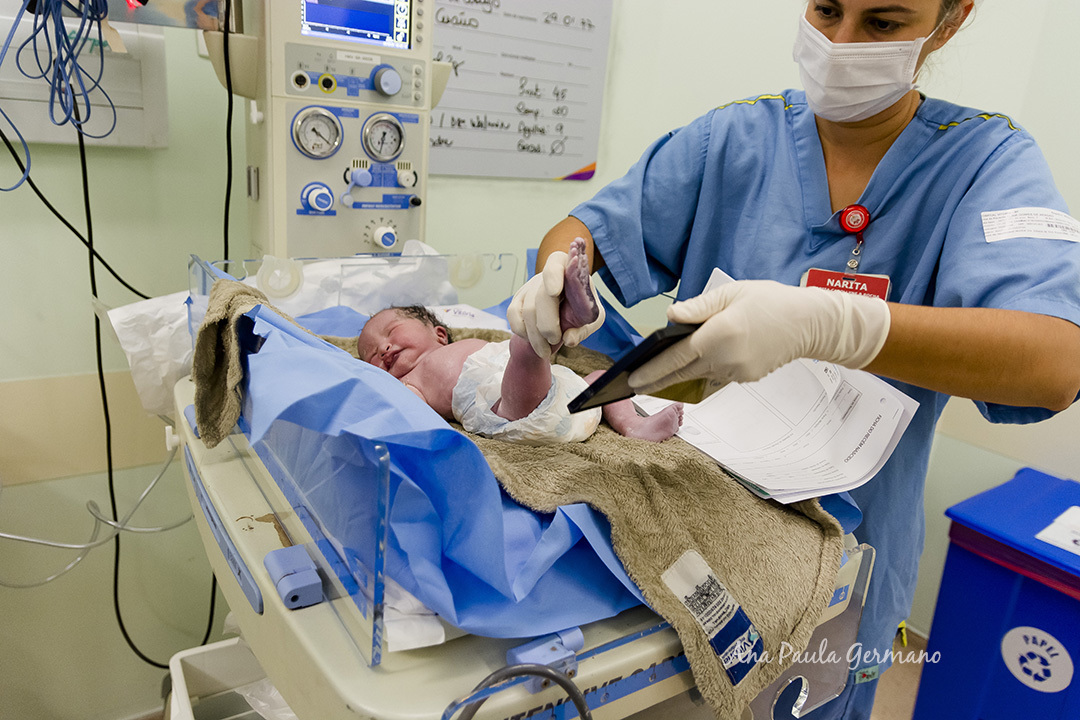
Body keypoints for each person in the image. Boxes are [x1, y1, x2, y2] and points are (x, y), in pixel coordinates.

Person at [507, 0, 1080, 717]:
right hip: (685, 529)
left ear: (950, 20)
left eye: (882, 23)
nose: (840, 43)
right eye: (827, 10)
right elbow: (586, 231)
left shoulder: (985, 162)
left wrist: (840, 326)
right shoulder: (733, 139)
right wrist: (560, 268)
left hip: (839, 559)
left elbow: (1055, 362)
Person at [357, 239, 684, 446]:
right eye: (370, 354)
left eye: (392, 330)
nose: (383, 349)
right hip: (512, 412)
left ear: (439, 333)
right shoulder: (412, 381)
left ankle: (633, 425)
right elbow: (402, 407)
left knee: (600, 378)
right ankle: (558, 319)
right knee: (526, 351)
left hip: (564, 394)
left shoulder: (467, 342)